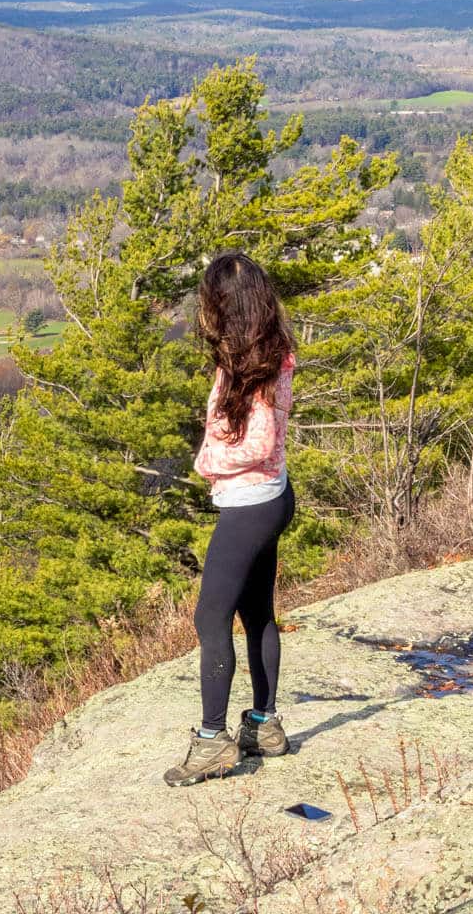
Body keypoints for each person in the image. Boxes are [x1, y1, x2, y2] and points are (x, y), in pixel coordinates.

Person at [163, 252, 296, 786]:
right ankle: (263, 725)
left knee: (210, 619)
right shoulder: (266, 355)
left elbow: (259, 442)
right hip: (269, 498)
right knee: (258, 612)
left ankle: (213, 740)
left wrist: (207, 461)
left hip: (250, 505)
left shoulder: (256, 368)